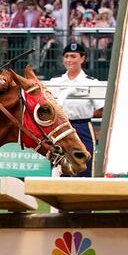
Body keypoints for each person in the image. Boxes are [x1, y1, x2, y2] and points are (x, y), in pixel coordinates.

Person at [50, 42, 104, 177]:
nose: (69, 60)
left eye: (73, 56)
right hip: (60, 128)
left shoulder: (91, 82)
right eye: (66, 56)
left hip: (82, 126)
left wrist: (84, 113)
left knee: (85, 164)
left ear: (82, 58)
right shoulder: (55, 82)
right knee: (60, 166)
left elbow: (102, 109)